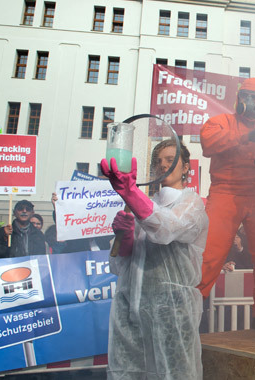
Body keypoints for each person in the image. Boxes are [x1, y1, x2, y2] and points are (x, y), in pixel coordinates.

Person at [102, 139, 208, 380]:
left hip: (172, 311)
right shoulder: (143, 205)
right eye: (158, 161)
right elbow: (119, 265)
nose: (163, 166)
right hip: (132, 306)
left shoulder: (191, 203)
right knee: (130, 371)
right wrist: (126, 237)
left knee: (173, 372)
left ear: (185, 167)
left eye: (171, 160)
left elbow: (167, 228)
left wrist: (132, 193)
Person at [196, 78, 255, 328]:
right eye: (245, 97)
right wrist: (247, 136)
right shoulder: (221, 122)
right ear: (238, 99)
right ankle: (192, 308)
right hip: (225, 192)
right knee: (209, 254)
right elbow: (208, 143)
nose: (249, 102)